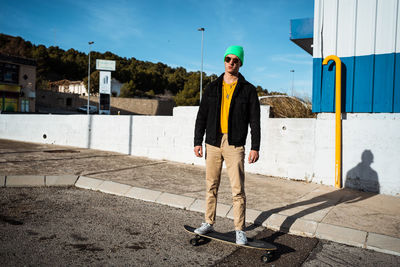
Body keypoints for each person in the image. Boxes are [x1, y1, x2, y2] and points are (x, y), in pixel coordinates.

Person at [193, 45, 260, 245]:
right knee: (211, 185)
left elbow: (254, 121)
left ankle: (239, 229)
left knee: (237, 189)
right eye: (228, 59)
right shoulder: (212, 87)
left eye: (235, 60)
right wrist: (197, 141)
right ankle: (208, 222)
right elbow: (201, 116)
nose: (231, 63)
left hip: (235, 144)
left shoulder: (248, 90)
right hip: (213, 142)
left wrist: (255, 146)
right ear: (224, 61)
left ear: (240, 63)